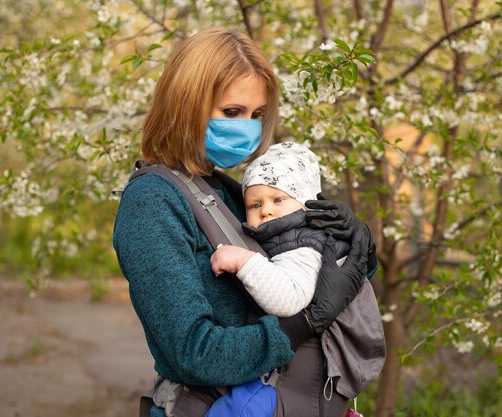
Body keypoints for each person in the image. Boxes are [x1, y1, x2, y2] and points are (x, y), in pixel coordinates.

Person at [112, 27, 377, 417]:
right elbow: (194, 352)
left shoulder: (227, 191)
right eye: (232, 112)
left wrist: (354, 246)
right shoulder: (153, 202)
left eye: (257, 114)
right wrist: (303, 324)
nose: (248, 127)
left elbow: (297, 271)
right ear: (186, 104)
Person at [206, 141, 385, 417]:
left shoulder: (303, 246)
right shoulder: (290, 237)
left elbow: (288, 299)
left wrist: (244, 262)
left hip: (302, 380)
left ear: (305, 202)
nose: (266, 210)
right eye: (255, 204)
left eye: (278, 200)